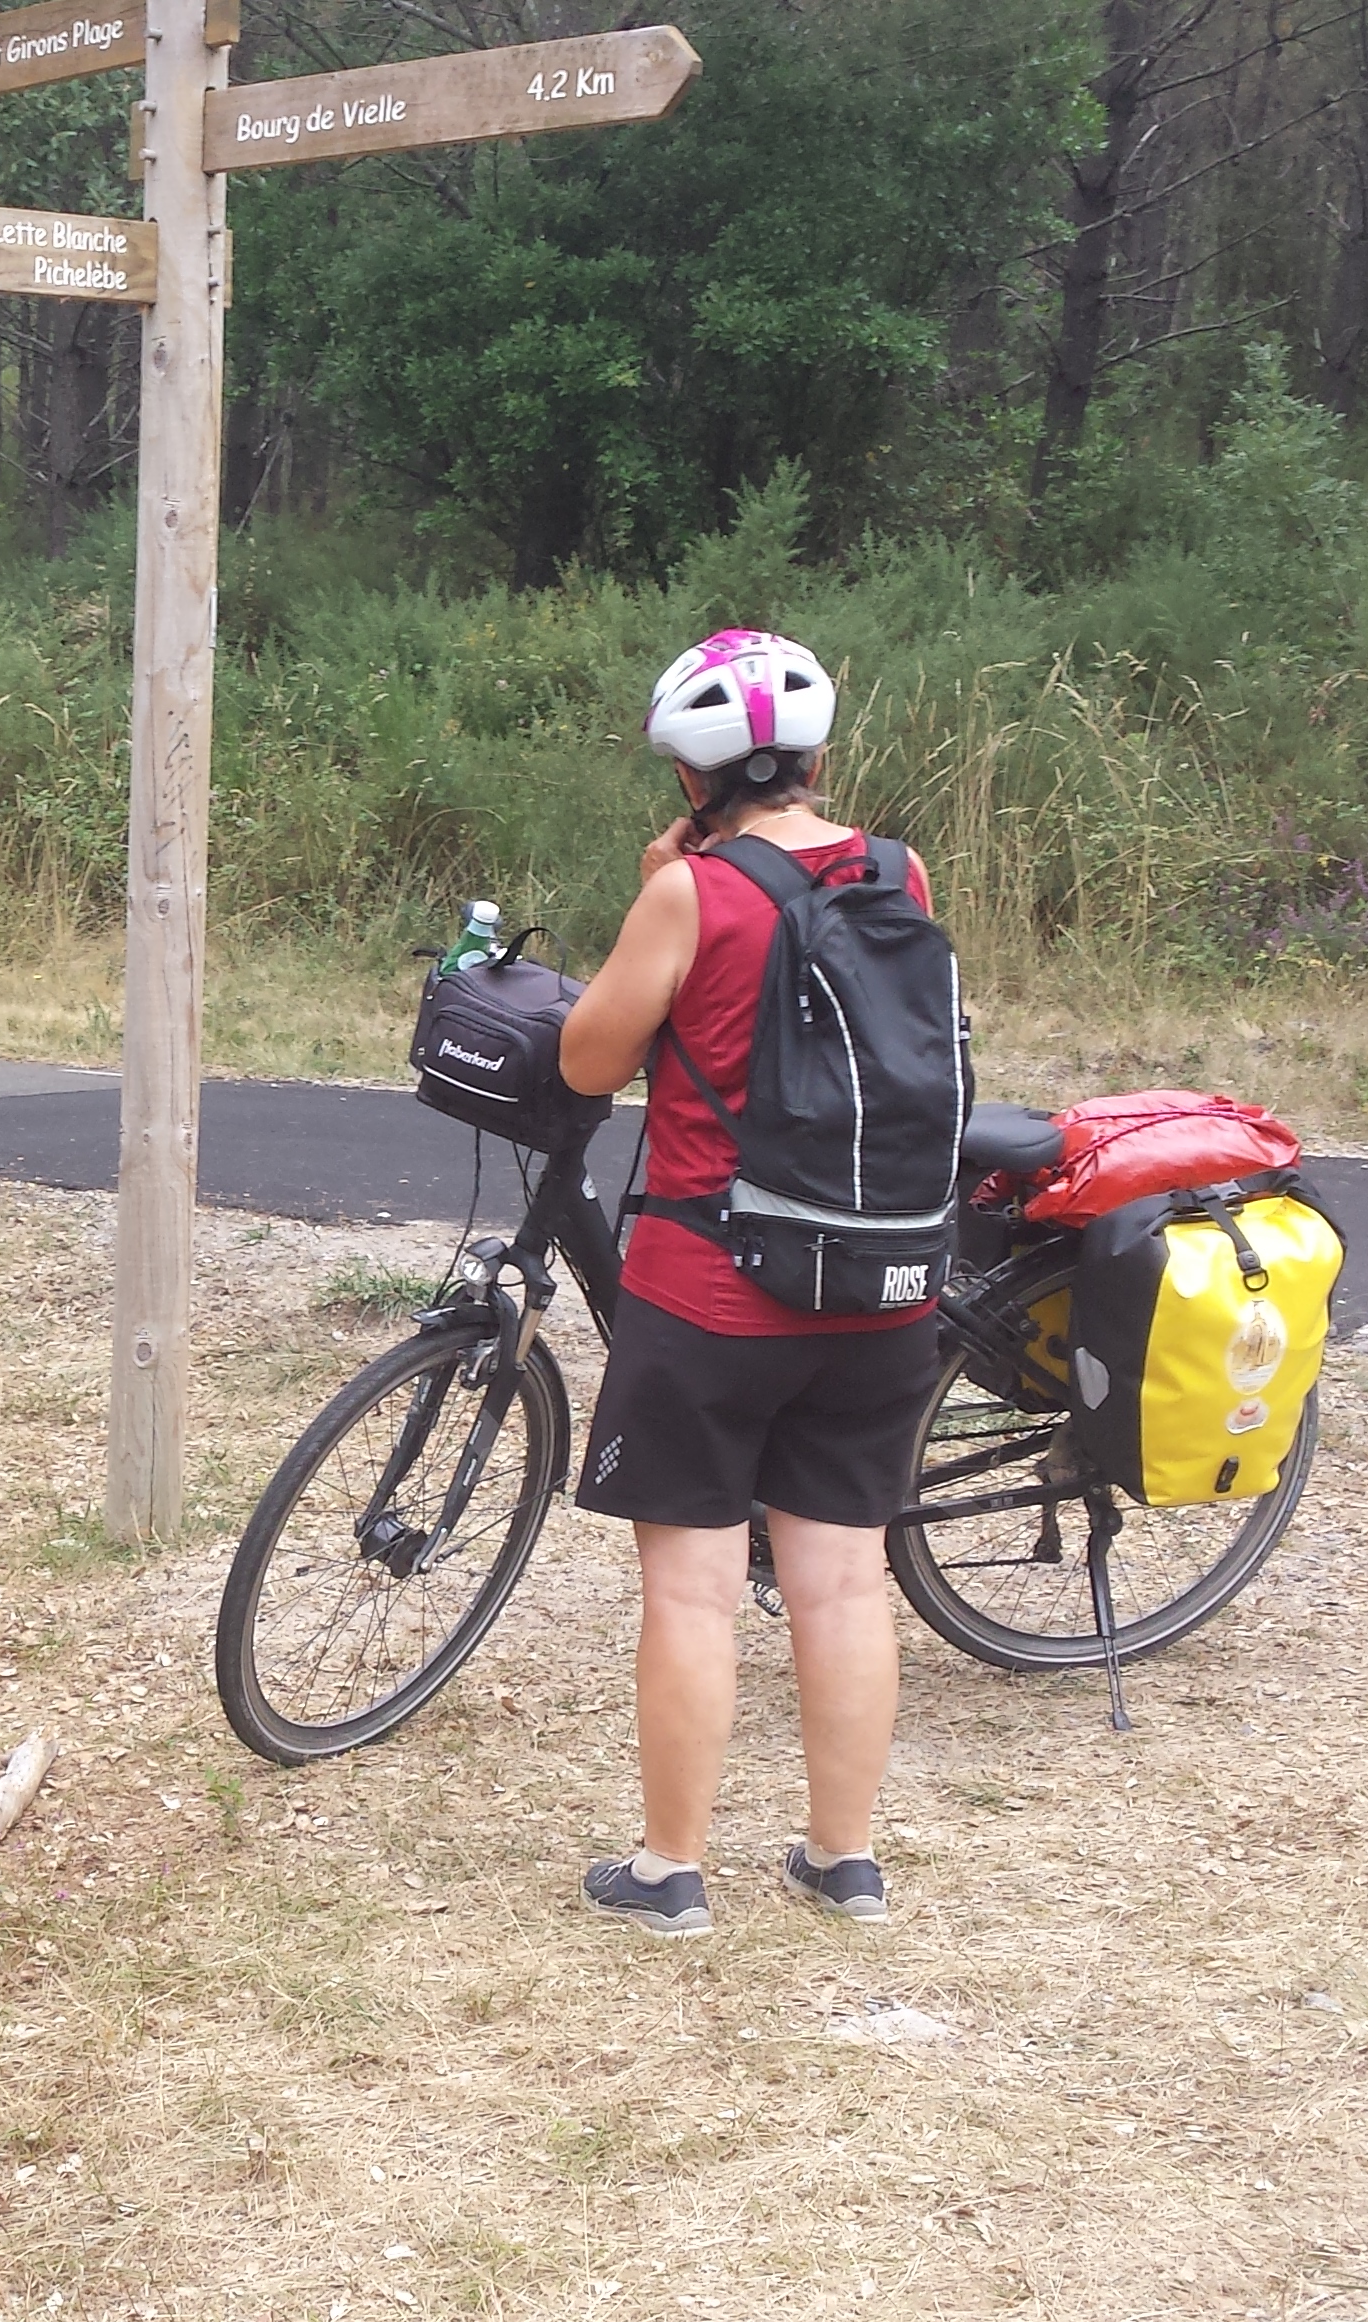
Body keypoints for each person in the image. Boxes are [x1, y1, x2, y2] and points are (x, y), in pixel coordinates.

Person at [554, 629, 947, 1937]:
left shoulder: (691, 893)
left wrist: (655, 892)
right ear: (817, 758)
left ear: (692, 778)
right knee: (845, 1582)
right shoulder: (900, 873)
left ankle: (670, 1871)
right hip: (881, 1284)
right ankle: (845, 1861)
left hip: (715, 1289)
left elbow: (587, 1061)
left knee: (693, 1591)